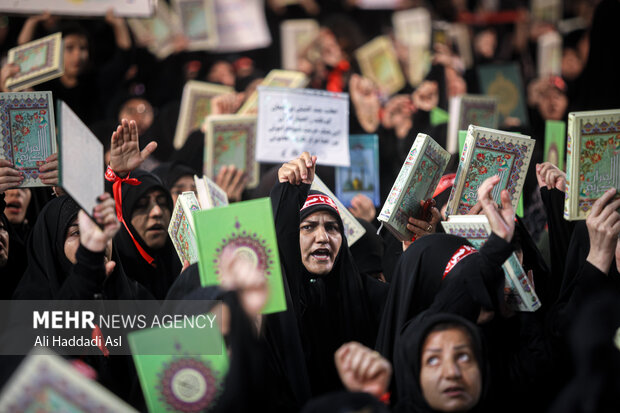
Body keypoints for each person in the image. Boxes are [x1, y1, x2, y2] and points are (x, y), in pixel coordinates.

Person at [271, 151, 388, 395]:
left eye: (332, 227)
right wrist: (288, 194)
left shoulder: (375, 297)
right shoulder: (275, 305)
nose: (323, 237)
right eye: (308, 227)